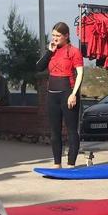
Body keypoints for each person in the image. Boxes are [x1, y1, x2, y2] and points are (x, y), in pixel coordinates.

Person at [36, 22, 84, 168]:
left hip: (67, 93)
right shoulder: (52, 51)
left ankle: (71, 163)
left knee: (71, 130)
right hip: (52, 95)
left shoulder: (74, 51)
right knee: (55, 131)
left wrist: (74, 94)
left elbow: (80, 73)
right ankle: (57, 163)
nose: (55, 38)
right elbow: (39, 67)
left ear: (66, 36)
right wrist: (50, 52)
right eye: (53, 35)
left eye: (58, 35)